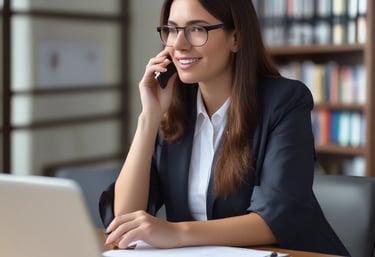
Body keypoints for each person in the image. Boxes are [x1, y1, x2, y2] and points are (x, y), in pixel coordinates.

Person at [100, 0, 349, 255]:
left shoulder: (285, 101)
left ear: (236, 38)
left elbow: (278, 217)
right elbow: (125, 219)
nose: (179, 45)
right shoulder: (174, 110)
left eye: (197, 29)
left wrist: (175, 232)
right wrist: (149, 118)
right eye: (172, 30)